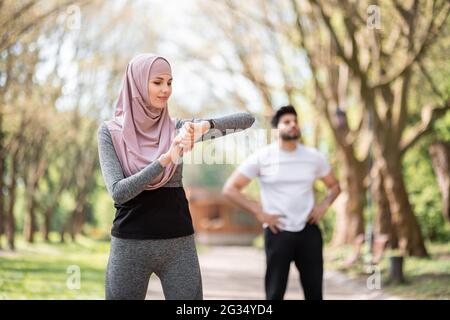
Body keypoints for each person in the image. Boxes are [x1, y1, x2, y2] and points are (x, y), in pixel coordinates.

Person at [97, 53, 255, 300]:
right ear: (137, 83)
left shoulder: (179, 129)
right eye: (158, 82)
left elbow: (247, 120)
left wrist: (206, 125)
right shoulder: (109, 133)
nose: (166, 90)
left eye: (170, 82)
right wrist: (166, 158)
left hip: (178, 245)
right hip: (129, 246)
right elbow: (119, 191)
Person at [223, 105, 340, 300]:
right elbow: (230, 189)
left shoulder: (314, 157)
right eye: (287, 122)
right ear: (277, 128)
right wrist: (259, 212)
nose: (293, 125)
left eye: (295, 121)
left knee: (315, 294)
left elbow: (335, 187)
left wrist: (323, 206)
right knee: (274, 293)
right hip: (278, 232)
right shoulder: (263, 157)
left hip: (309, 230)